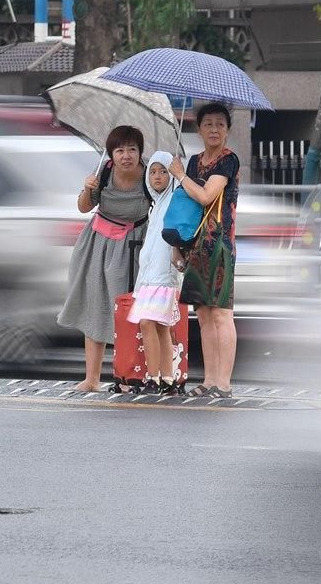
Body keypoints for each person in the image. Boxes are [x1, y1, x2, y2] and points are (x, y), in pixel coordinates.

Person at [58, 125, 149, 392]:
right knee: (94, 307)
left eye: (132, 149)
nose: (126, 155)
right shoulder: (103, 172)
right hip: (97, 244)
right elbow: (84, 207)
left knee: (126, 314)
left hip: (132, 248)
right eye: (120, 150)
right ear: (111, 153)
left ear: (140, 152)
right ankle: (92, 379)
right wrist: (88, 189)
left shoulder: (149, 175)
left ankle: (125, 377)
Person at [169, 103, 239, 398]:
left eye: (220, 124)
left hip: (220, 244)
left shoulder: (229, 160)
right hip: (196, 244)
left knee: (222, 314)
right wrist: (177, 245)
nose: (214, 129)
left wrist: (179, 175)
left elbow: (208, 195)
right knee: (204, 314)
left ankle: (224, 383)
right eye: (208, 124)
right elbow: (186, 207)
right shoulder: (195, 161)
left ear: (227, 130)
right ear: (199, 129)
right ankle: (209, 379)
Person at [126, 152, 183, 396]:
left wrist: (178, 174)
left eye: (163, 171)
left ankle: (154, 377)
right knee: (160, 327)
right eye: (153, 171)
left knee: (147, 323)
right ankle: (168, 378)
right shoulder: (155, 205)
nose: (157, 176)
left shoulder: (174, 198)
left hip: (164, 276)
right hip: (150, 277)